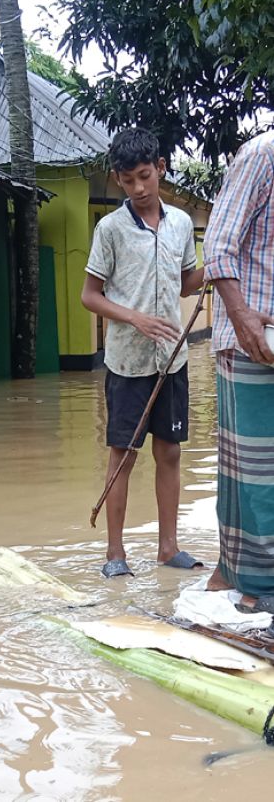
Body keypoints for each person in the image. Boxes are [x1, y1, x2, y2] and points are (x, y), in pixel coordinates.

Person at [79, 126, 206, 577]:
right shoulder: (110, 229)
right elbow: (90, 296)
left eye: (146, 177)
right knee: (123, 454)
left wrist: (214, 270)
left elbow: (186, 280)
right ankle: (116, 554)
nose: (139, 188)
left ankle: (168, 548)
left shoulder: (180, 224)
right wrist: (134, 317)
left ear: (161, 170)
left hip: (172, 359)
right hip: (127, 363)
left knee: (169, 452)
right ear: (118, 179)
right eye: (129, 180)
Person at [202, 130, 274, 610]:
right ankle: (257, 587)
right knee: (253, 472)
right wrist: (242, 314)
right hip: (251, 338)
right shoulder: (262, 155)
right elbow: (217, 245)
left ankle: (232, 574)